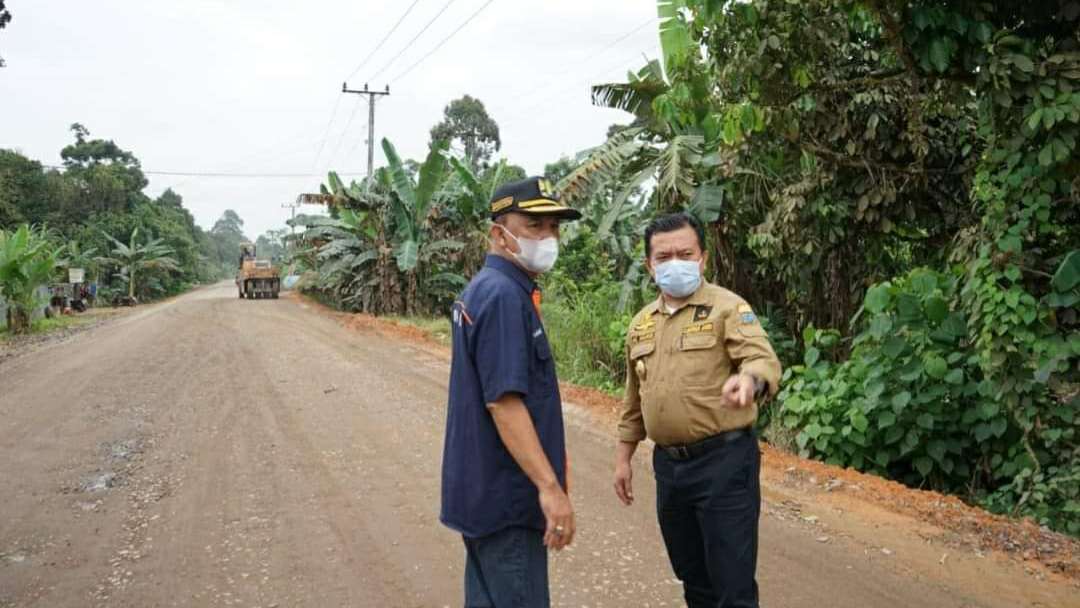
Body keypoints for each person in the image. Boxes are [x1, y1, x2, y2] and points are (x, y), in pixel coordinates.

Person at [613, 212, 782, 608]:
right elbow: (634, 398)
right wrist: (623, 459)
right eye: (664, 256)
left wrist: (749, 382)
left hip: (724, 463)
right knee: (693, 577)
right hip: (669, 468)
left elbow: (761, 359)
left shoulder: (728, 308)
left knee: (732, 584)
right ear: (649, 265)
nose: (675, 263)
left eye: (685, 254)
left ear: (703, 258)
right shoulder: (641, 324)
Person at [441, 176, 582, 607]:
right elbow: (503, 403)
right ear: (499, 234)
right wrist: (549, 488)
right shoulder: (503, 295)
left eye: (554, 227)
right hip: (508, 500)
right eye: (534, 225)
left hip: (484, 496)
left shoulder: (487, 288)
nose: (548, 237)